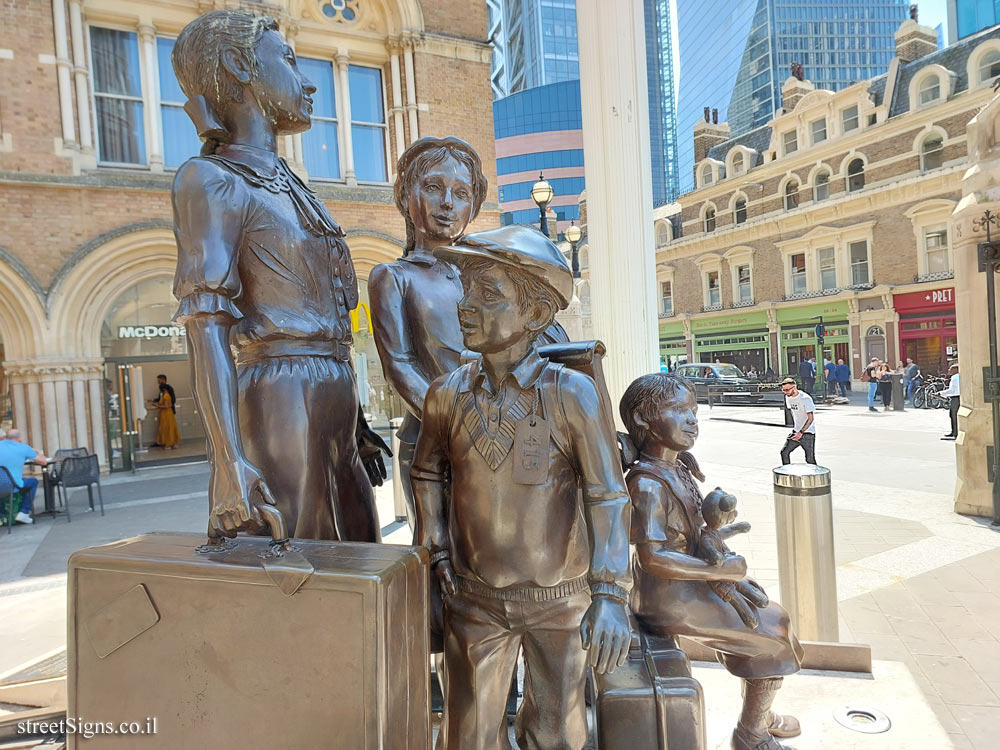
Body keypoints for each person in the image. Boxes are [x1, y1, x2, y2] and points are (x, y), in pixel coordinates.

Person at [170, 11, 388, 541]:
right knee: (302, 562)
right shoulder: (213, 179)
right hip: (279, 395)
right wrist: (227, 462)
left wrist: (353, 420)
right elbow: (206, 323)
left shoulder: (290, 183)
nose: (308, 81)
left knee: (362, 553)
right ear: (239, 64)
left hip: (330, 393)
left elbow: (328, 313)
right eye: (289, 61)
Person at [412, 226, 631, 750]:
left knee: (558, 732)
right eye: (465, 290)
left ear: (535, 315)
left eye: (488, 294)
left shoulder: (569, 393)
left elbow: (608, 494)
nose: (465, 305)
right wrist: (436, 552)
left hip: (560, 600)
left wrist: (609, 593)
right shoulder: (447, 394)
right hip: (475, 598)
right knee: (467, 734)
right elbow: (427, 474)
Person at [369, 137, 567, 529]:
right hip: (439, 443)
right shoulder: (394, 278)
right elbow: (401, 368)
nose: (447, 203)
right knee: (448, 557)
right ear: (406, 195)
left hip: (508, 431)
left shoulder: (486, 276)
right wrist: (459, 423)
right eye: (432, 187)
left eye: (461, 193)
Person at [620, 373, 802, 750]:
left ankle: (759, 714)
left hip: (688, 586)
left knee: (772, 614)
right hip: (666, 599)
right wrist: (717, 571)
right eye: (678, 410)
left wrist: (714, 527)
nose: (692, 420)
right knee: (772, 636)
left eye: (694, 411)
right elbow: (652, 557)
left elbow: (691, 531)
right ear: (642, 420)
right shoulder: (647, 484)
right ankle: (751, 734)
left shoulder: (678, 468)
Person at [0, 429, 50, 524]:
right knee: (33, 481)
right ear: (19, 439)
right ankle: (24, 512)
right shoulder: (23, 448)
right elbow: (43, 462)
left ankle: (1, 515)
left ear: (6, 437)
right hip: (12, 485)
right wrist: (40, 454)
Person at [779, 378, 816, 465]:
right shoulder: (788, 398)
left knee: (810, 460)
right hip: (796, 431)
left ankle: (816, 477)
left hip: (808, 433)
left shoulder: (805, 399)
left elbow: (810, 418)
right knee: (784, 452)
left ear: (794, 387)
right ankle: (787, 475)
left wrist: (801, 432)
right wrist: (796, 431)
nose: (786, 392)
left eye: (787, 390)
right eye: (784, 390)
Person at [150, 375, 181, 449]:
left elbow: (169, 403)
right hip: (165, 412)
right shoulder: (164, 394)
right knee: (169, 427)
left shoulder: (167, 392)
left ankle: (169, 443)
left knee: (167, 428)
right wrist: (154, 401)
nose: (158, 381)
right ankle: (171, 443)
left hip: (167, 412)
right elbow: (160, 399)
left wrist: (158, 406)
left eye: (159, 380)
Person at [939, 364, 961, 440]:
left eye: (951, 369)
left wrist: (941, 393)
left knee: (953, 415)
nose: (949, 370)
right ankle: (955, 431)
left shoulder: (954, 377)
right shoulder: (960, 376)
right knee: (954, 415)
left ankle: (955, 433)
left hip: (955, 398)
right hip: (959, 397)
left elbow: (952, 390)